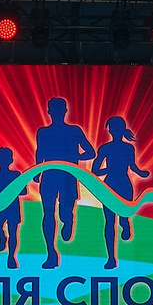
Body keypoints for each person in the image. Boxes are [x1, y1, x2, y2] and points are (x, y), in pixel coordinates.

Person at [32, 97, 94, 268]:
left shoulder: (74, 131)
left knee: (64, 211)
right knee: (48, 213)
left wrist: (75, 157)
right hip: (50, 176)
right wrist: (38, 171)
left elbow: (91, 152)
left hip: (68, 176)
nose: (57, 113)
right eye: (55, 110)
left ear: (64, 112)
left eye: (60, 110)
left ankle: (67, 219)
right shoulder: (43, 132)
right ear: (50, 112)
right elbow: (40, 152)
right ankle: (51, 253)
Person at [91, 114, 151, 269]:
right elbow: (95, 170)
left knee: (124, 215)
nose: (114, 131)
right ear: (110, 131)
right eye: (112, 128)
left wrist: (141, 173)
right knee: (110, 221)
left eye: (117, 128)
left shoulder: (128, 148)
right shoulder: (105, 148)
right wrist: (108, 169)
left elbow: (132, 166)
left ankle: (125, 223)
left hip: (124, 184)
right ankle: (111, 258)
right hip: (110, 185)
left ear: (122, 129)